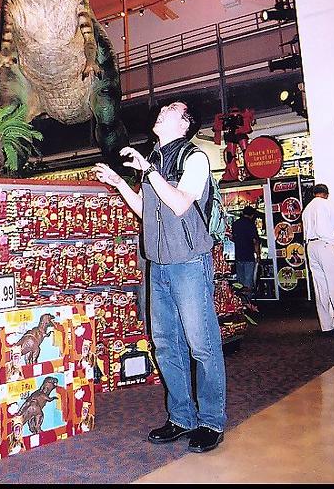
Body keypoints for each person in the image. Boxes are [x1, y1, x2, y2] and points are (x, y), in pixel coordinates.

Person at [93, 101, 226, 453]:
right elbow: (145, 209)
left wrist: (148, 169)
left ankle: (211, 421)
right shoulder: (153, 159)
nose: (163, 109)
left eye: (172, 108)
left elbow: (180, 204)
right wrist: (119, 182)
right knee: (166, 344)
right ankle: (181, 418)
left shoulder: (194, 158)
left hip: (189, 263)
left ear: (185, 124)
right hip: (158, 265)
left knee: (202, 345)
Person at [302, 183, 334, 334]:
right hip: (325, 244)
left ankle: (327, 325)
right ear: (327, 194)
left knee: (320, 288)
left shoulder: (307, 209)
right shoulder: (327, 204)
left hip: (311, 247)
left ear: (314, 194)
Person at [231, 205, 261, 299]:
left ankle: (240, 300)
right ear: (252, 215)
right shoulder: (251, 225)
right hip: (248, 256)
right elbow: (255, 241)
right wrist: (258, 255)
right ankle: (247, 300)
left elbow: (233, 238)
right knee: (248, 280)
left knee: (240, 280)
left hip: (238, 255)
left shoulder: (235, 224)